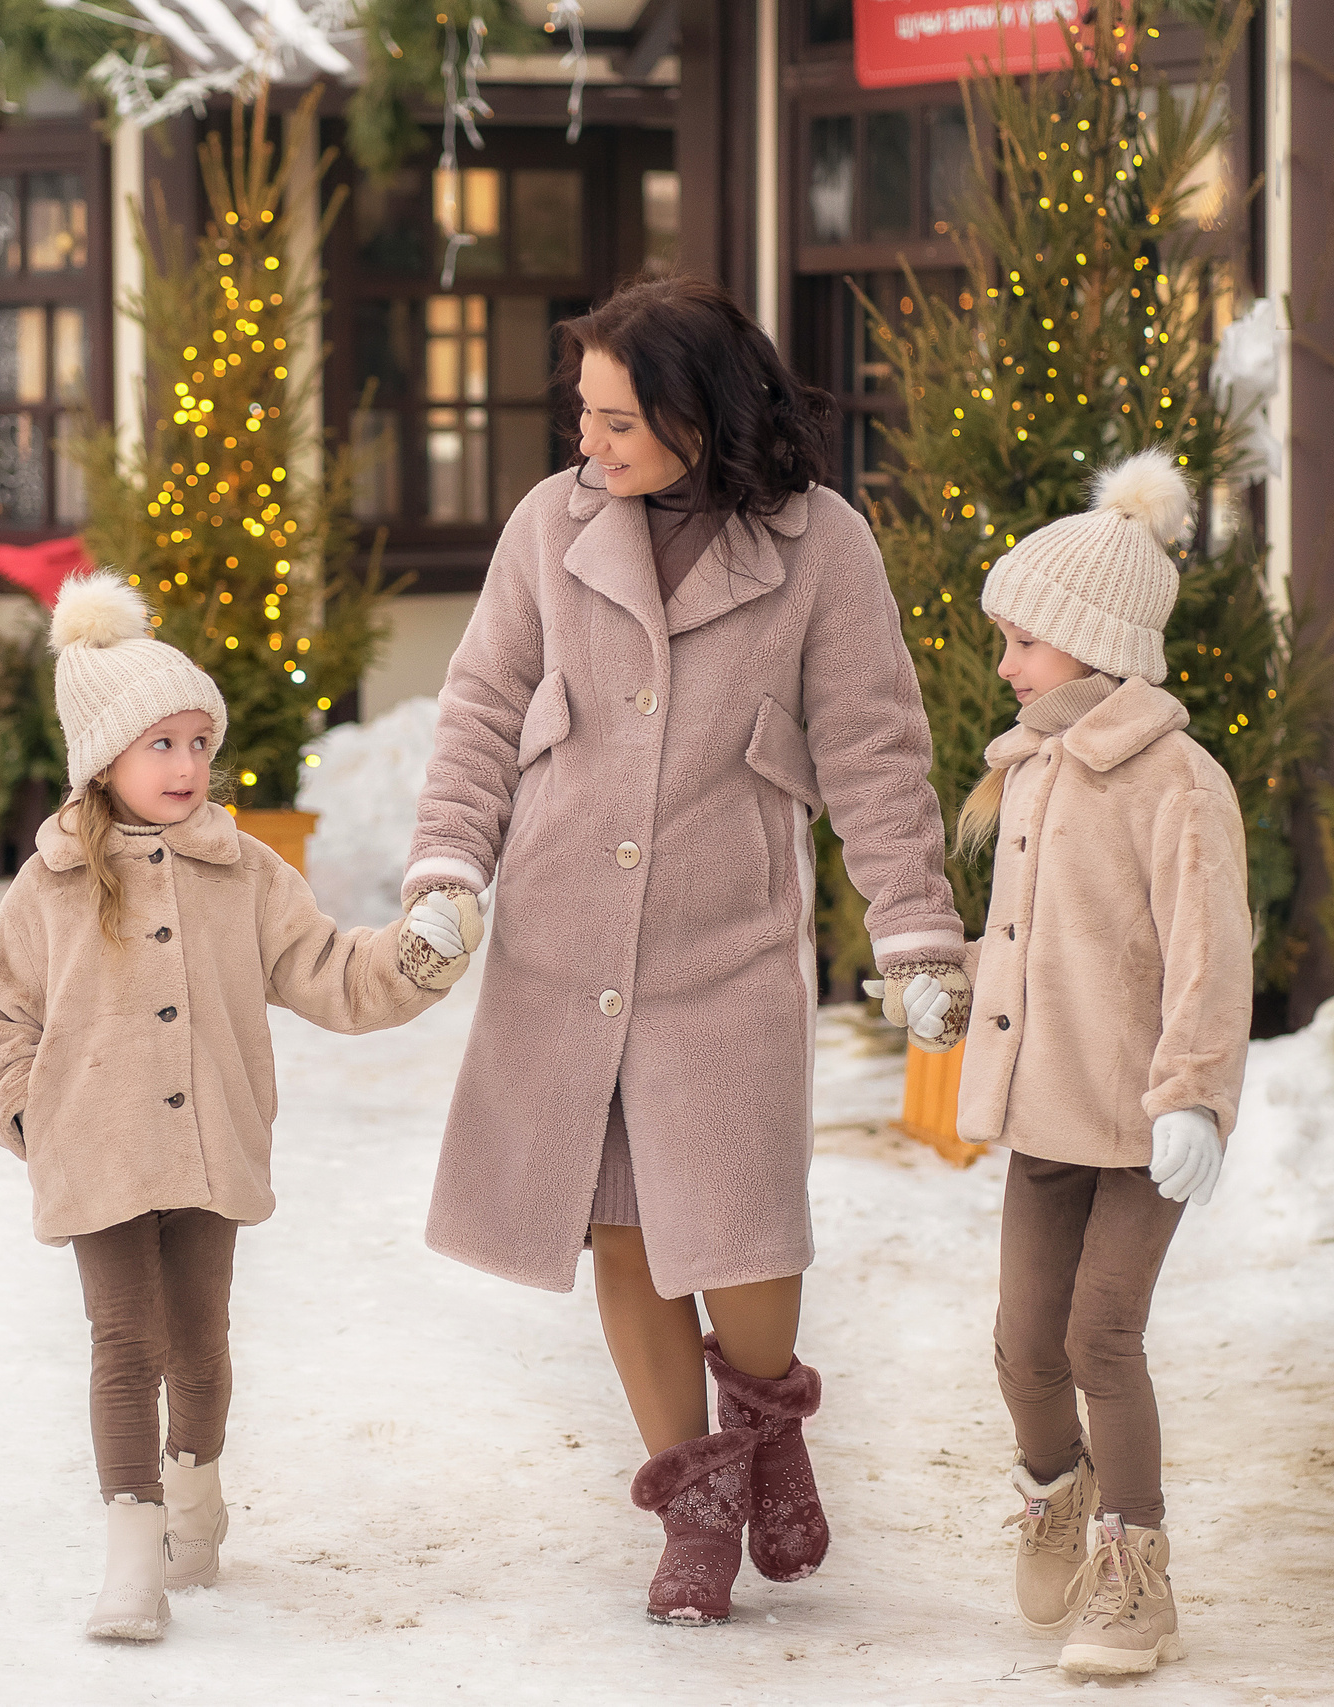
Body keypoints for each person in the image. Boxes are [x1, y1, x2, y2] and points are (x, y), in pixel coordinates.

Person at [398, 274, 970, 1626]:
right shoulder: (549, 525)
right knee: (623, 1227)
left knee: (743, 1224)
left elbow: (874, 746)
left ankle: (765, 1418)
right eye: (583, 414)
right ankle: (694, 1500)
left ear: (697, 414)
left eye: (617, 419)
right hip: (563, 939)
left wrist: (912, 928)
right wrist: (448, 867)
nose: (588, 442)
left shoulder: (821, 545)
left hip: (724, 945)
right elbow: (481, 707)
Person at [0, 571, 480, 1642]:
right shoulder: (52, 882)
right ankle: (130, 1562)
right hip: (96, 1151)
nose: (188, 764)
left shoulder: (243, 871)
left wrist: (415, 957)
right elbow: (0, 1010)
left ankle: (194, 1507)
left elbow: (331, 971)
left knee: (198, 1343)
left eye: (200, 742)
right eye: (162, 744)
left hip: (209, 1147)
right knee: (124, 1343)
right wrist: (27, 1115)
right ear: (104, 758)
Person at [949, 448, 1253, 1678]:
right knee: (1023, 1346)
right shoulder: (1030, 768)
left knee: (1099, 1341)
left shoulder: (1178, 785)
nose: (1006, 665)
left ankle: (1135, 1576)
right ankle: (1056, 1492)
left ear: (1093, 645)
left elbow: (1208, 958)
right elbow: (1036, 941)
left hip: (1138, 1126)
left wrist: (1195, 1099)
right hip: (1047, 1118)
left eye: (1023, 641)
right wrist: (959, 984)